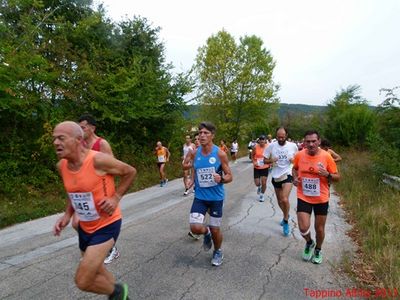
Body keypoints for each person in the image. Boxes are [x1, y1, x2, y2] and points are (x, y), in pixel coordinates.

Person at [52, 121, 136, 299]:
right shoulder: (62, 166)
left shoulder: (97, 160)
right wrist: (67, 214)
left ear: (77, 140)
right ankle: (122, 297)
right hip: (85, 226)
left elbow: (130, 171)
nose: (56, 143)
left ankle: (118, 293)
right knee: (98, 271)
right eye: (54, 139)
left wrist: (116, 197)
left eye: (61, 138)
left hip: (107, 224)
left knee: (83, 280)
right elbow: (73, 191)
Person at [183, 122, 233, 266]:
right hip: (200, 197)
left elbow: (230, 176)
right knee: (195, 227)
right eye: (200, 133)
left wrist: (222, 178)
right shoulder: (194, 152)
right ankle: (206, 234)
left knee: (216, 229)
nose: (202, 135)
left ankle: (217, 251)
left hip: (216, 198)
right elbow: (190, 168)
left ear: (212, 136)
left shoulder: (220, 154)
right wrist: (191, 180)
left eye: (206, 133)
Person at [76, 114, 119, 265]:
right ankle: (95, 247)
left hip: (103, 191)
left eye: (83, 127)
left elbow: (114, 167)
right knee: (77, 223)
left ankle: (111, 249)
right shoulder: (80, 145)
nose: (80, 131)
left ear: (92, 128)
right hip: (86, 193)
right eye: (78, 128)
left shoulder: (102, 144)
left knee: (104, 224)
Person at [292, 130, 340, 264]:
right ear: (304, 142)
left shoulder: (327, 156)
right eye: (308, 141)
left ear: (319, 141)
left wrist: (327, 175)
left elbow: (337, 177)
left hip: (321, 198)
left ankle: (318, 249)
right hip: (304, 195)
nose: (311, 144)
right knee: (303, 227)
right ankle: (309, 242)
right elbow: (294, 169)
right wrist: (295, 178)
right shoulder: (299, 155)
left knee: (319, 229)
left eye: (314, 141)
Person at [264, 127, 298, 236]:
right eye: (279, 137)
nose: (280, 138)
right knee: (279, 201)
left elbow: (297, 160)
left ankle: (286, 221)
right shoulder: (271, 146)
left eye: (282, 137)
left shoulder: (293, 146)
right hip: (276, 175)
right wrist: (271, 160)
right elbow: (264, 160)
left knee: (284, 198)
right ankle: (286, 215)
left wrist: (293, 161)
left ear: (286, 135)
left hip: (287, 173)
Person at [252, 135, 270, 202]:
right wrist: (254, 162)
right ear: (259, 141)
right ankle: (259, 187)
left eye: (263, 142)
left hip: (265, 167)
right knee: (257, 183)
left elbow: (271, 155)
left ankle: (262, 195)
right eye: (261, 142)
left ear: (265, 141)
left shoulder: (268, 147)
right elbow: (252, 155)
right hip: (257, 167)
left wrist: (270, 162)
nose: (262, 143)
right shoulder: (255, 147)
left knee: (264, 182)